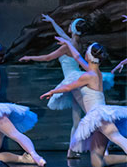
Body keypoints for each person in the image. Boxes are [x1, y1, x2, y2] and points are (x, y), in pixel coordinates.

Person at [20, 15, 113, 158]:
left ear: (73, 29)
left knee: (90, 116)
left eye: (70, 25)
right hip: (75, 77)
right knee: (77, 117)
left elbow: (48, 57)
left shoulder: (66, 46)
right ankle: (72, 151)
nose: (67, 28)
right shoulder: (76, 43)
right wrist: (52, 22)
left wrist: (30, 57)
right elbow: (62, 34)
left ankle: (103, 150)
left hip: (73, 79)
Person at [41, 38, 127, 167]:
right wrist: (68, 44)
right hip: (96, 119)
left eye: (86, 52)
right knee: (97, 163)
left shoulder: (88, 76)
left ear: (89, 55)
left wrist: (53, 91)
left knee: (117, 137)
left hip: (98, 115)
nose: (84, 54)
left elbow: (68, 87)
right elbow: (77, 57)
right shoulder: (94, 71)